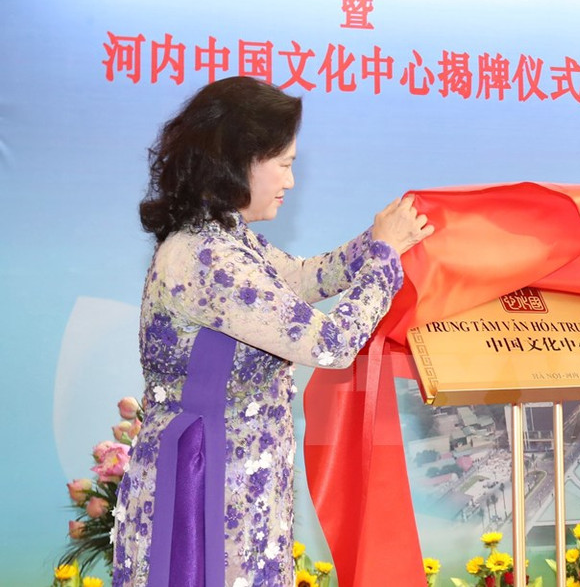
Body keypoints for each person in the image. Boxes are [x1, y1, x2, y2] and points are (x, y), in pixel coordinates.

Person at [112, 76, 433, 587]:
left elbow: (305, 277)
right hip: (205, 486)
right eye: (283, 165)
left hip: (236, 481)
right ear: (238, 160)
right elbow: (330, 345)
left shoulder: (224, 238)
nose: (290, 181)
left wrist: (376, 241)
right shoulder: (203, 258)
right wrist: (383, 264)